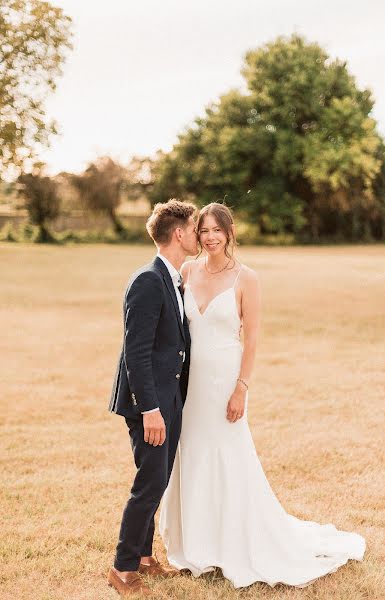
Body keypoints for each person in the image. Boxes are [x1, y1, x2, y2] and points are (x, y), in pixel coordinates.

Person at [159, 202, 366, 589]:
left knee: (228, 456)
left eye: (217, 230)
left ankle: (235, 542)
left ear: (230, 232)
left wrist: (242, 388)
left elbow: (252, 339)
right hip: (189, 386)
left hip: (225, 383)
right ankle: (196, 544)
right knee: (193, 453)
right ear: (196, 234)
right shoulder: (187, 271)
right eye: (203, 231)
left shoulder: (246, 278)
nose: (210, 237)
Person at [107, 199, 198, 596]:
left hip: (168, 398)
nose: (198, 235)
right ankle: (123, 567)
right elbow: (137, 353)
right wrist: (150, 409)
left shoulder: (173, 278)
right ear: (179, 233)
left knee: (157, 481)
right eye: (195, 229)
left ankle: (144, 557)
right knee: (150, 481)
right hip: (151, 405)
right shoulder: (147, 280)